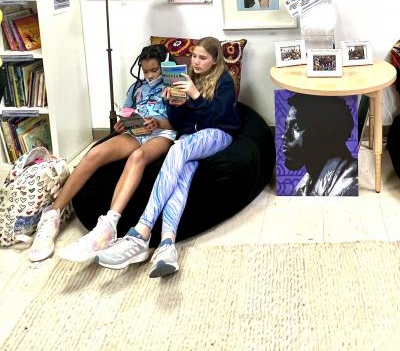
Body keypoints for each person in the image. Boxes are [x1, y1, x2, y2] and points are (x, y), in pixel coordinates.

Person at [96, 37, 241, 278]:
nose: (196, 61)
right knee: (182, 176)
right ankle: (166, 245)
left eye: (203, 58)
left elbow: (215, 117)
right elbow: (180, 123)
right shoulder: (185, 79)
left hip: (218, 133)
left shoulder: (224, 80)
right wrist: (175, 104)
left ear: (215, 61)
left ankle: (142, 230)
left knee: (177, 150)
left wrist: (194, 95)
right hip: (189, 138)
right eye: (194, 56)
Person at [28, 44, 177, 263]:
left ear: (164, 66)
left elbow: (181, 122)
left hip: (162, 134)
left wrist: (158, 122)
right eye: (146, 71)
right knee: (94, 154)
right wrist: (122, 125)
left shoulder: (174, 86)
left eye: (155, 70)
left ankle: (108, 226)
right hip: (135, 133)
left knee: (137, 157)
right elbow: (127, 113)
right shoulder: (136, 89)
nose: (150, 76)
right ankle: (52, 215)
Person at [281, 93, 358, 196]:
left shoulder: (349, 186)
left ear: (323, 131)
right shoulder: (305, 183)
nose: (284, 136)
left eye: (296, 127)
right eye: (286, 127)